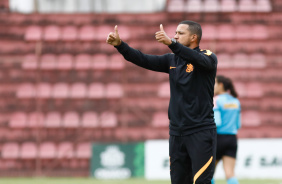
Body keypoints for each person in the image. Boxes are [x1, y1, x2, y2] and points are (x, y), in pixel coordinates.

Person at [106, 20, 218, 184]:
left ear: (194, 37)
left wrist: (172, 44)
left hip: (200, 132)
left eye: (180, 33)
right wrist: (120, 45)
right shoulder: (172, 60)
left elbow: (199, 60)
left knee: (202, 182)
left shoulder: (208, 56)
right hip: (176, 134)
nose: (175, 36)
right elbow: (143, 59)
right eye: (175, 33)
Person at [212, 75, 241, 184]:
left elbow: (217, 122)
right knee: (230, 173)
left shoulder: (216, 100)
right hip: (232, 139)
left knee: (209, 173)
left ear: (221, 85)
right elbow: (238, 125)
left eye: (214, 83)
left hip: (218, 139)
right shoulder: (235, 101)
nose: (213, 86)